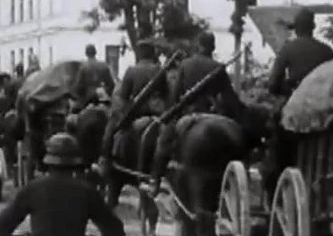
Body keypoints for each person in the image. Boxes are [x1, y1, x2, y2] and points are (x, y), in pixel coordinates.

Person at [151, 31, 242, 185]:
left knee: (163, 142)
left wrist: (171, 113)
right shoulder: (218, 67)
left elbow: (175, 96)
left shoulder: (186, 64)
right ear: (212, 47)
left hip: (190, 114)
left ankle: (155, 179)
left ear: (198, 46)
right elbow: (230, 99)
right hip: (214, 115)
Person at [98, 40, 169, 177]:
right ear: (152, 53)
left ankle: (105, 158)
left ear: (140, 53)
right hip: (157, 115)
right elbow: (166, 95)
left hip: (136, 113)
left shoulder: (131, 71)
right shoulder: (160, 70)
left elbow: (123, 96)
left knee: (111, 126)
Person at [268, 8, 333, 97]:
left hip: (297, 103)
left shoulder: (287, 49)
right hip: (322, 102)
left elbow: (273, 85)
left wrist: (290, 90)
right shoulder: (327, 50)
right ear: (313, 27)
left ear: (295, 29)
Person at [72, 44, 116, 112]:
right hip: (102, 98)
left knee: (74, 112)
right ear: (95, 52)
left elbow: (79, 86)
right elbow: (111, 84)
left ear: (86, 53)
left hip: (88, 100)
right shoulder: (104, 65)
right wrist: (106, 94)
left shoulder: (83, 67)